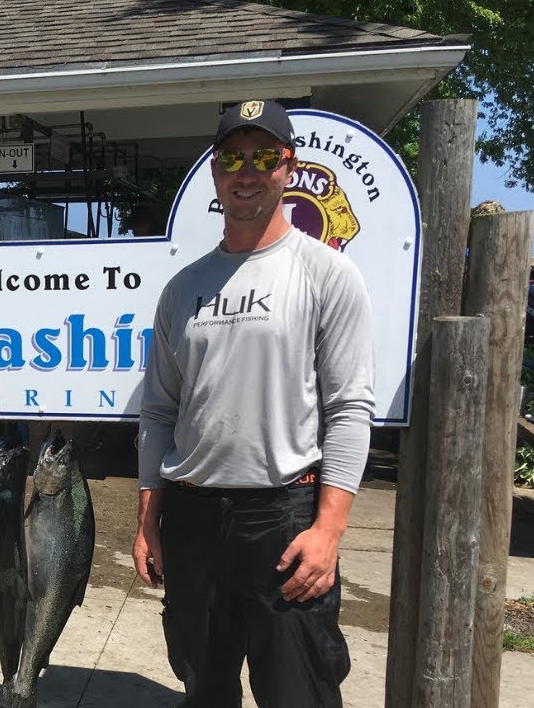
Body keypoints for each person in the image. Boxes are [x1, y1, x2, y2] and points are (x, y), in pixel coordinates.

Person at [131, 100, 375, 707]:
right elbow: (160, 413)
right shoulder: (182, 288)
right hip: (191, 521)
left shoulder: (327, 274)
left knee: (299, 693)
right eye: (231, 157)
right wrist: (147, 523)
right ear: (214, 172)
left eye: (264, 155)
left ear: (287, 167)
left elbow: (349, 409)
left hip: (284, 519)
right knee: (204, 687)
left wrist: (329, 531)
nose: (247, 171)